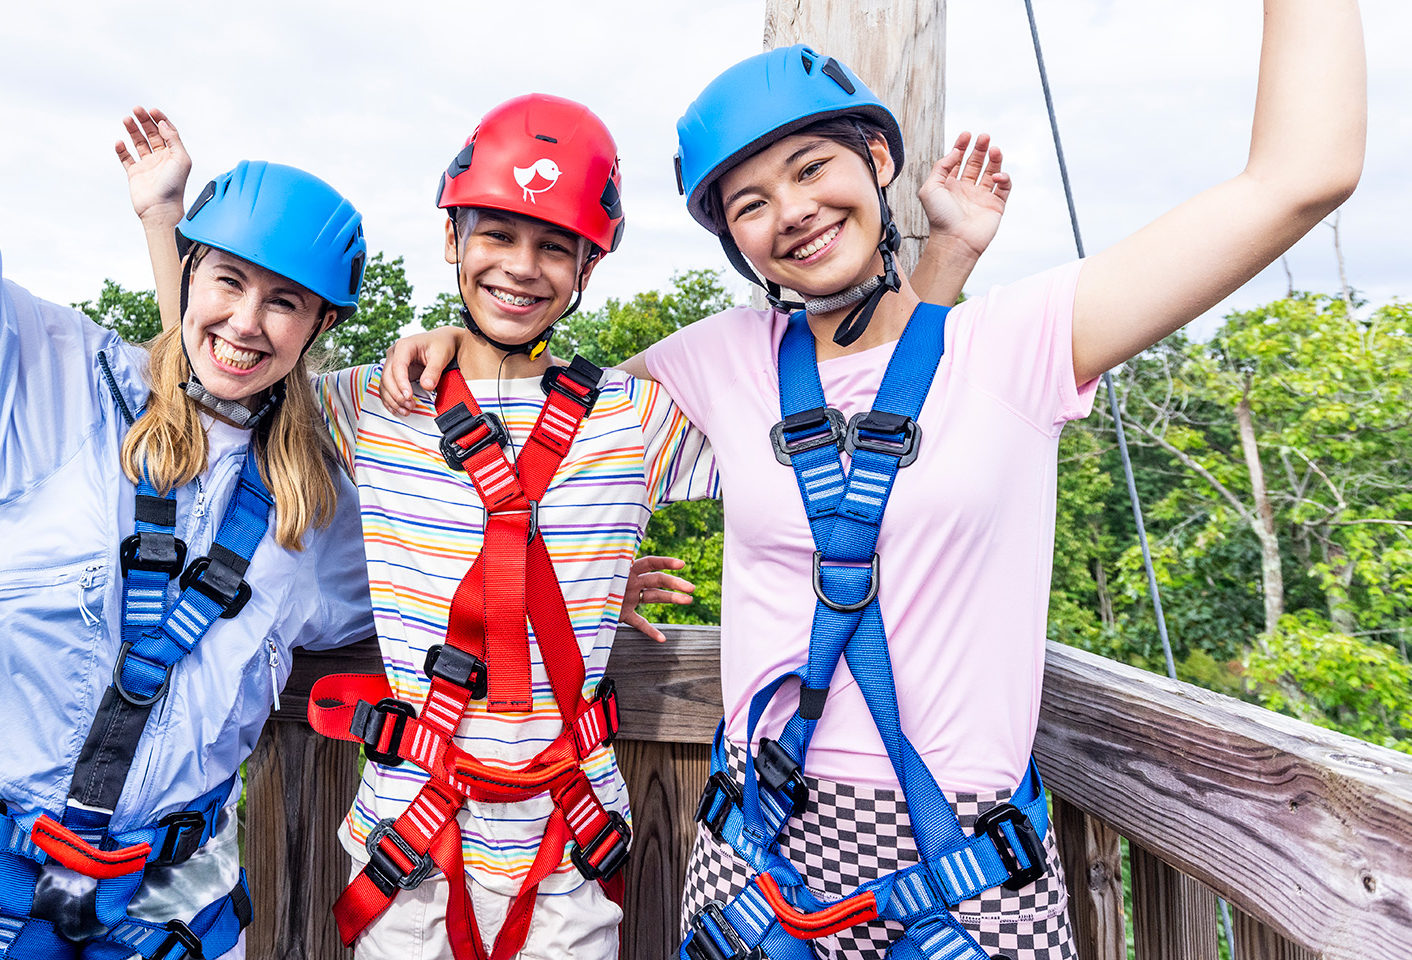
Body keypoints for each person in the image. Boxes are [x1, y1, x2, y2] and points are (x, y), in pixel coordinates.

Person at [399, 3, 1364, 957]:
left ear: (879, 162)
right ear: (736, 244)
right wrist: (459, 345)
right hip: (758, 848)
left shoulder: (1017, 344)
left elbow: (1299, 177)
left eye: (812, 168)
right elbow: (544, 431)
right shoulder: (721, 360)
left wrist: (947, 262)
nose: (795, 213)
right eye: (751, 204)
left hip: (968, 856)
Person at [135, 87, 1009, 956]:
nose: (522, 267)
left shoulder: (635, 419)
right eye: (499, 237)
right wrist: (163, 224)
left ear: (588, 271)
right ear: (452, 240)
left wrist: (943, 269)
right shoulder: (375, 403)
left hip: (566, 847)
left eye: (554, 248)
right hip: (409, 844)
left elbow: (847, 440)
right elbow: (222, 369)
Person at [0, 2, 382, 957]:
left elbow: (433, 582)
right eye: (229, 284)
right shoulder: (46, 388)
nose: (249, 323)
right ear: (188, 274)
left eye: (285, 303)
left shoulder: (314, 509)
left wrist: (578, 588)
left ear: (317, 332)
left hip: (170, 903)